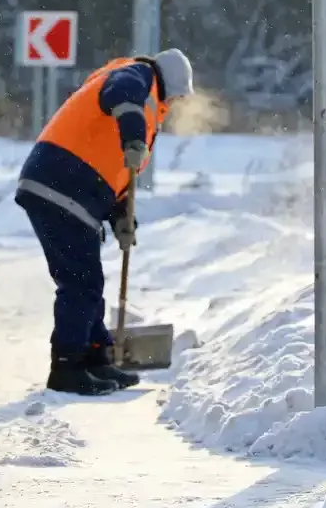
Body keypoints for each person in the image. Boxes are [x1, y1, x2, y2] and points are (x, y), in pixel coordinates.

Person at [14, 50, 193, 396]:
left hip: (70, 186)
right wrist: (134, 137)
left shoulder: (144, 99)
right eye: (177, 96)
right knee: (81, 280)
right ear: (169, 83)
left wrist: (121, 216)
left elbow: (114, 170)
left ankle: (95, 357)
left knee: (88, 278)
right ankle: (67, 367)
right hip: (60, 183)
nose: (176, 104)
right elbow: (121, 93)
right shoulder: (137, 76)